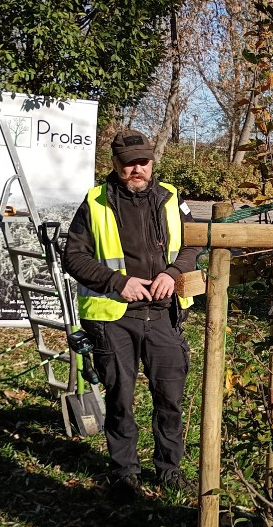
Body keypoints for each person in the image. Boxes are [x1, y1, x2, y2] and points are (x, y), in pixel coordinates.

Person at [64, 129, 201, 503]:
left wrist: (171, 275)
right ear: (115, 165)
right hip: (113, 318)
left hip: (163, 315)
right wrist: (116, 282)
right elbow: (73, 258)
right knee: (120, 398)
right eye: (129, 164)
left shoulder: (172, 197)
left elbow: (192, 244)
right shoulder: (94, 202)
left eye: (143, 161)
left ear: (153, 161)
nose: (137, 169)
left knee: (169, 397)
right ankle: (124, 473)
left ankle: (169, 470)